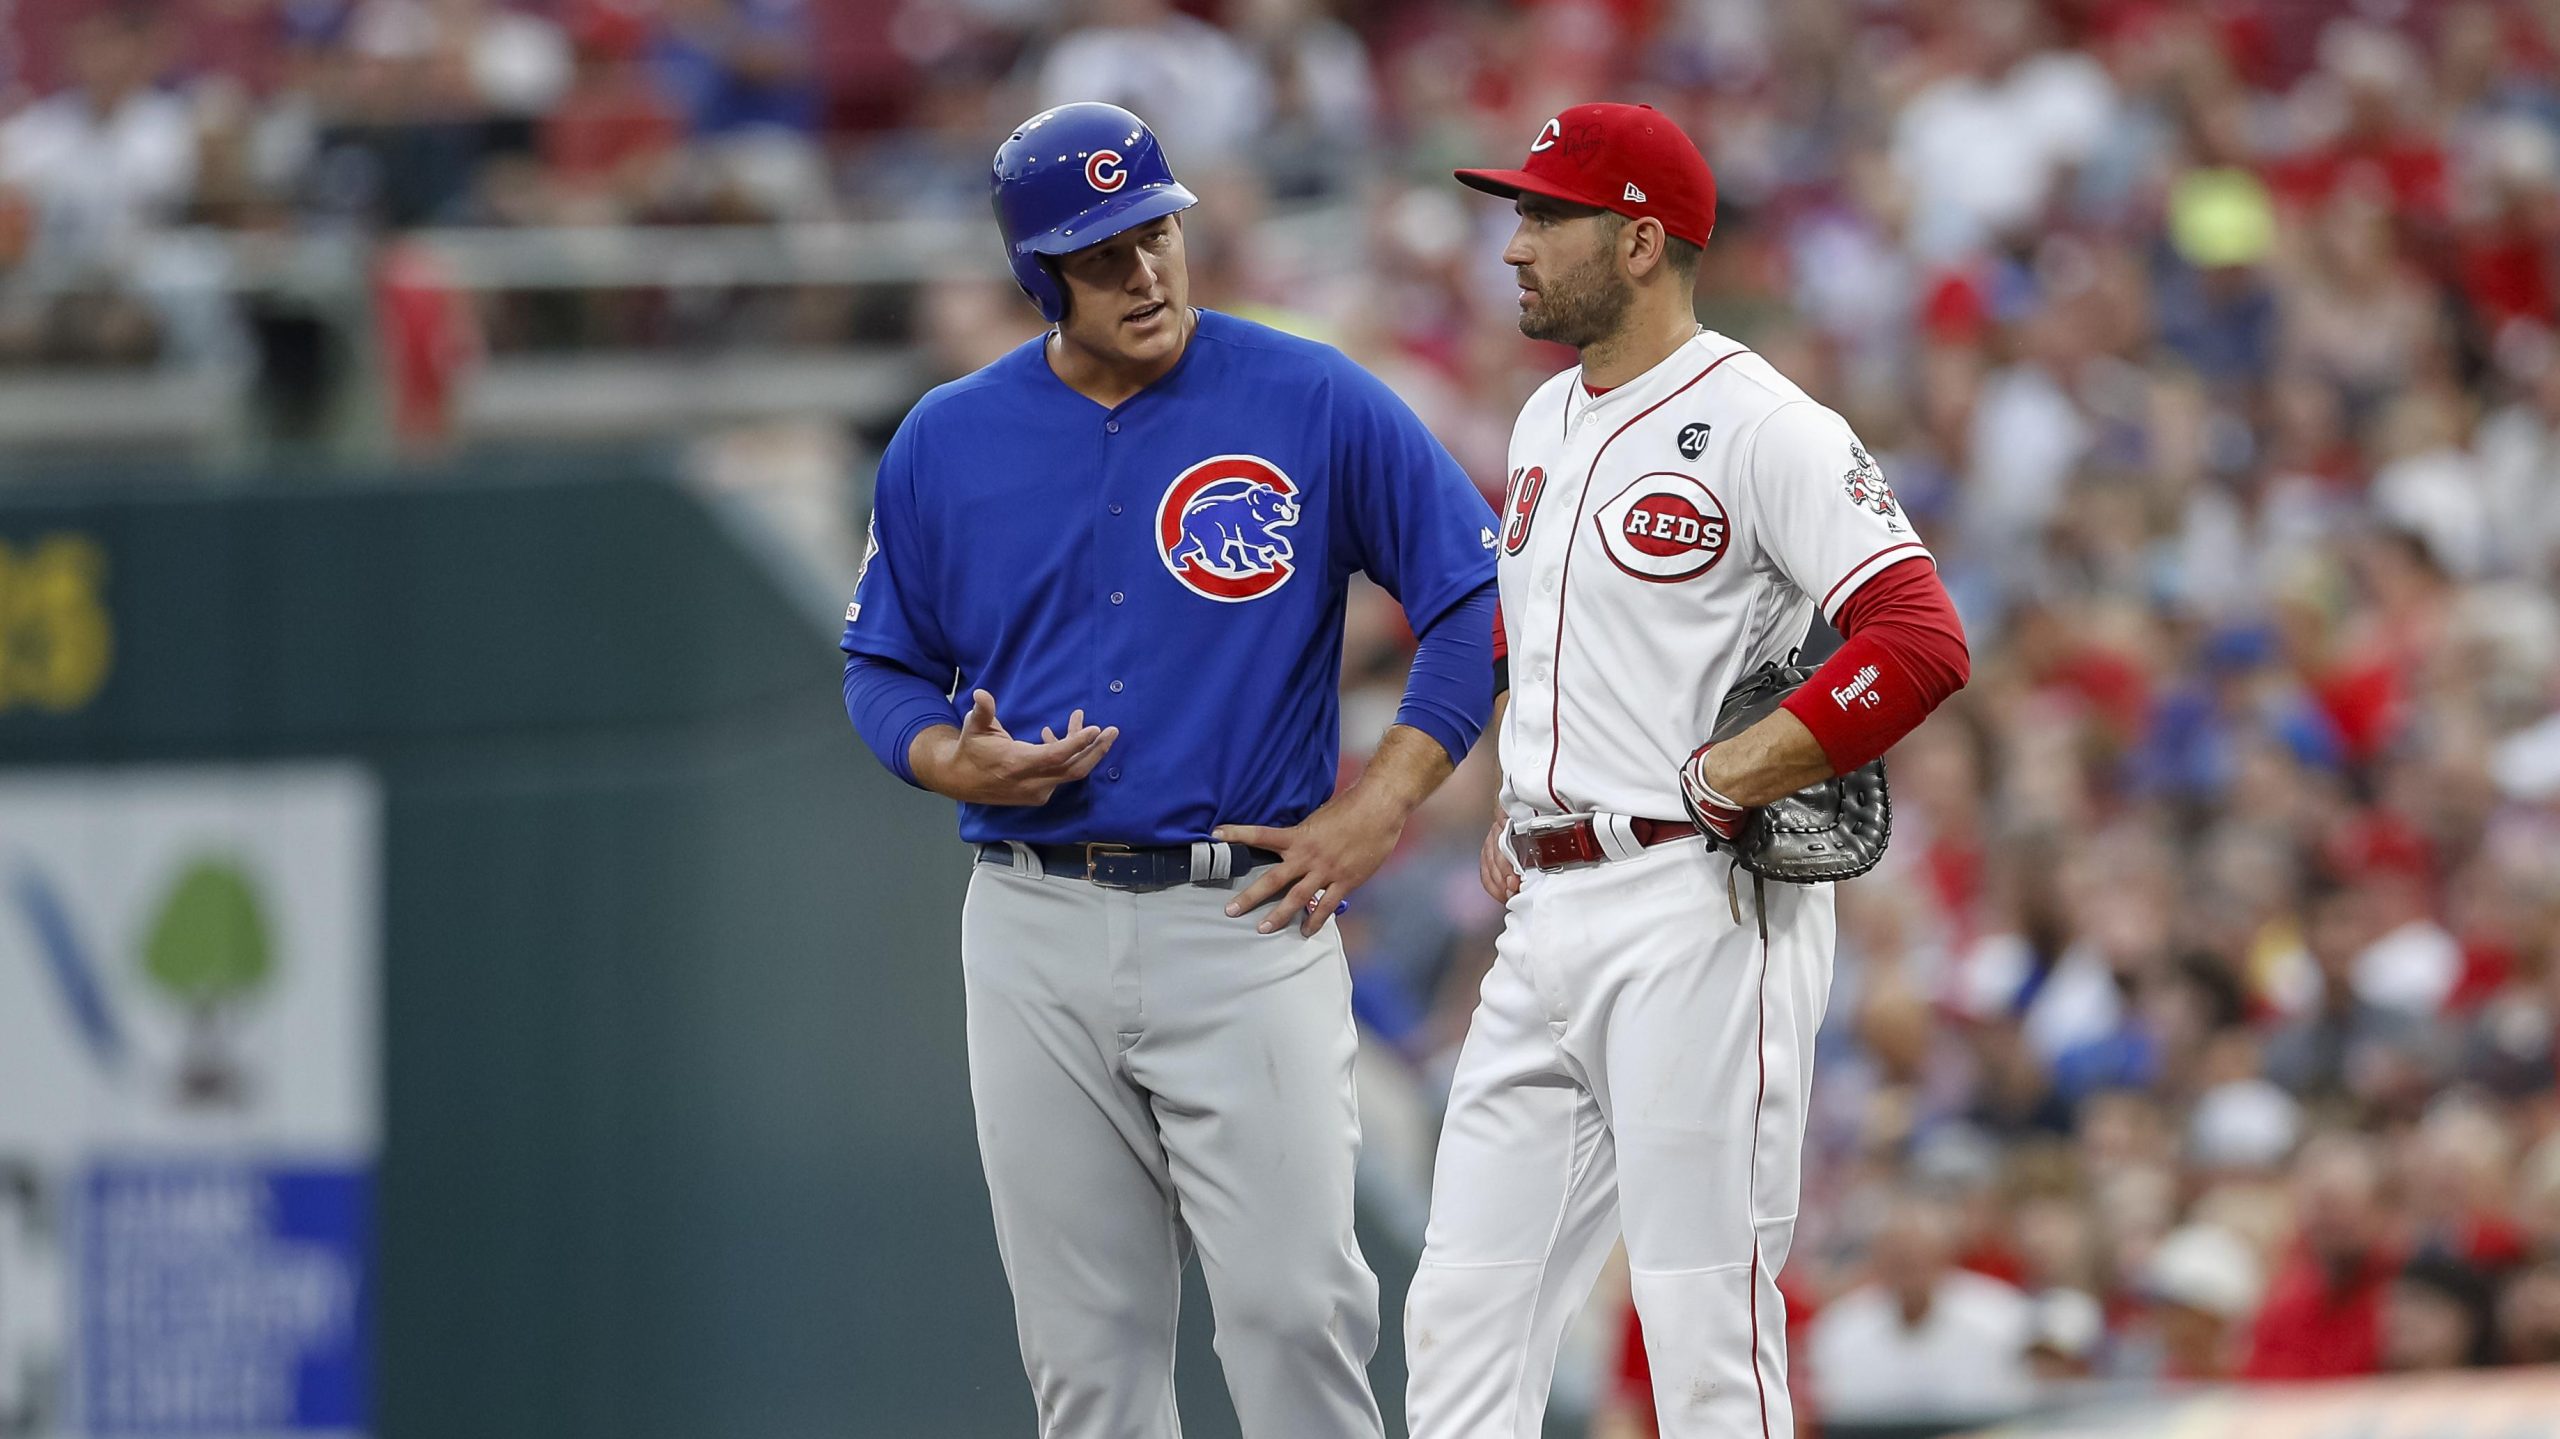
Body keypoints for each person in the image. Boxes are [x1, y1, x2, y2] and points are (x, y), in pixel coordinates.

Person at [839, 102, 1497, 1437]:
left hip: (1242, 909)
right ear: (1041, 277)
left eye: (1158, 235)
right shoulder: (946, 439)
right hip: (1033, 915)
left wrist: (1382, 804)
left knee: (1298, 1310)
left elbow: (1474, 598)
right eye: (1102, 255)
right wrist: (941, 757)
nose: (1145, 275)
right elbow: (880, 668)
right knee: (1087, 1357)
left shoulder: (1307, 395)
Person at [1408, 103, 1972, 1437]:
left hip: (1698, 903)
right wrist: (1529, 786)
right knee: (1462, 1311)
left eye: (1547, 215)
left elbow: (1922, 638)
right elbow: (1542, 628)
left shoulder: (1766, 420)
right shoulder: (1547, 415)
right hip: (1550, 911)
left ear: (1643, 241)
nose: (1517, 244)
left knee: (1701, 1324)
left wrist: (1746, 769)